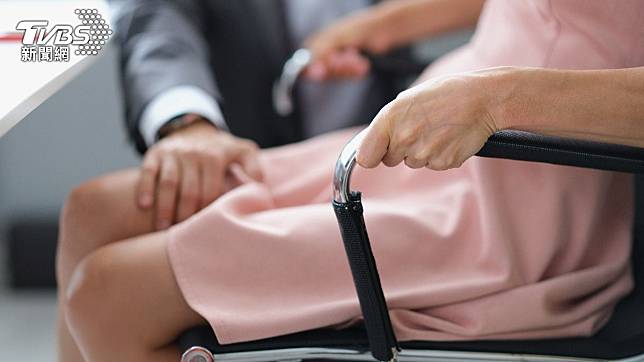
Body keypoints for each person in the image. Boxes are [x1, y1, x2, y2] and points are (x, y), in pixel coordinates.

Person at [57, 0, 644, 361]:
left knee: (106, 297)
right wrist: (385, 23)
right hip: (446, 132)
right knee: (94, 211)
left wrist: (496, 99)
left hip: (527, 183)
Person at [114, 0, 412, 232]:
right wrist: (187, 122)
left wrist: (377, 30)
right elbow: (156, 23)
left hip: (401, 158)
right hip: (268, 161)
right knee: (89, 213)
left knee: (95, 247)